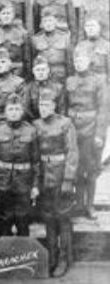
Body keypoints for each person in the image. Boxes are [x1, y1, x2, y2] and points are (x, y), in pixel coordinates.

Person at [32, 88, 78, 276]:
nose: (43, 108)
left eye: (47, 104)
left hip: (60, 176)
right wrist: (35, 183)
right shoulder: (35, 125)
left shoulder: (65, 123)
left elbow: (73, 152)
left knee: (63, 219)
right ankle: (51, 256)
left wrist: (68, 179)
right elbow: (34, 156)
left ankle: (64, 259)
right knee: (49, 219)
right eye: (40, 104)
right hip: (44, 177)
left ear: (54, 105)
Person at [66, 54, 107, 218]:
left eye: (81, 60)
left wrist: (99, 134)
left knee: (89, 169)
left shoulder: (97, 81)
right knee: (75, 168)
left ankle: (89, 206)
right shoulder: (69, 81)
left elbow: (103, 109)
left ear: (88, 62)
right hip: (73, 128)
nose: (78, 63)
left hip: (90, 129)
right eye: (75, 60)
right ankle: (78, 203)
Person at [0, 94, 38, 237]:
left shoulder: (31, 130)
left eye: (17, 109)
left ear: (22, 111)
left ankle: (23, 258)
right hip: (2, 182)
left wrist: (35, 185)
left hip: (23, 183)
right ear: (5, 111)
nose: (13, 112)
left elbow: (36, 161)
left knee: (23, 221)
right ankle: (3, 257)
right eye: (10, 109)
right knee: (2, 222)